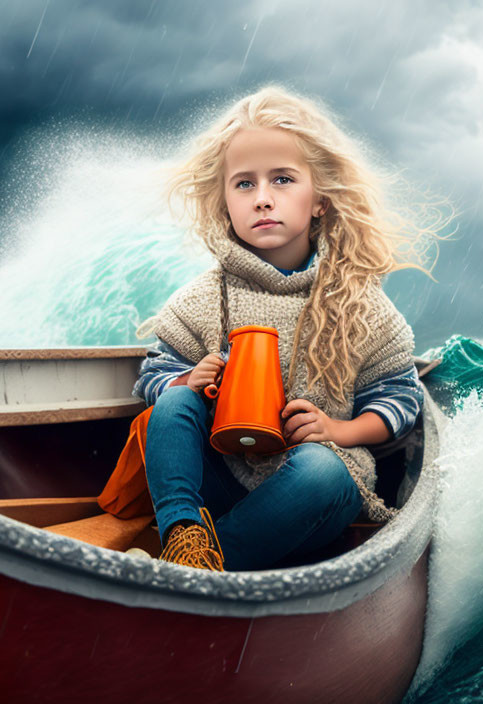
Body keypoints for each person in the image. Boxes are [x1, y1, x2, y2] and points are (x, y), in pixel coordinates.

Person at [132, 85, 446, 572]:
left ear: (319, 198)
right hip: (223, 478)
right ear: (225, 204)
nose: (262, 199)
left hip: (316, 492)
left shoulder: (359, 302)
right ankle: (183, 535)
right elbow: (153, 374)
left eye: (282, 179)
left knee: (320, 470)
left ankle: (201, 568)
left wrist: (338, 429)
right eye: (244, 184)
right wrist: (185, 381)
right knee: (171, 404)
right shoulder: (203, 297)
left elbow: (399, 398)